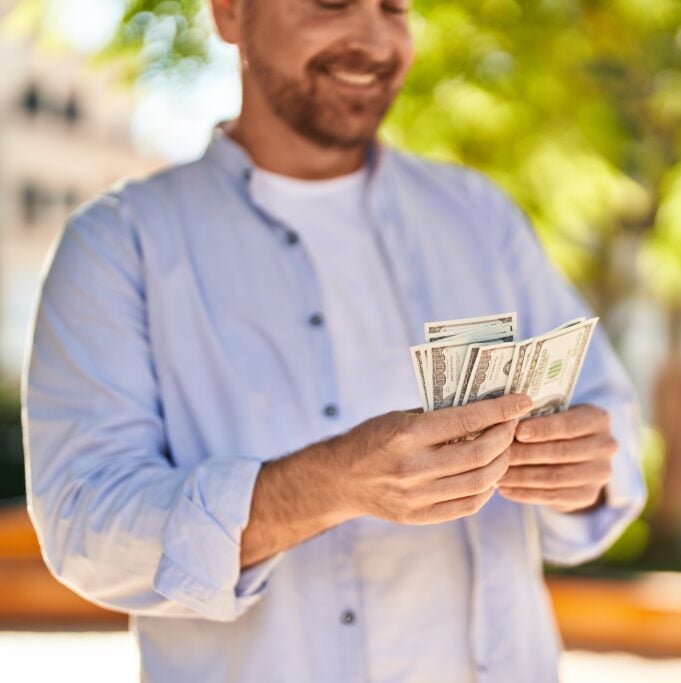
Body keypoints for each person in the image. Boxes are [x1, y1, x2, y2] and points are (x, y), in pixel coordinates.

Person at [21, 0, 647, 681]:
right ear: (229, 13)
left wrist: (580, 468)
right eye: (333, 2)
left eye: (394, 7)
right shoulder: (117, 245)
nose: (375, 41)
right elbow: (85, 525)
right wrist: (330, 485)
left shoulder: (479, 215)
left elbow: (611, 426)